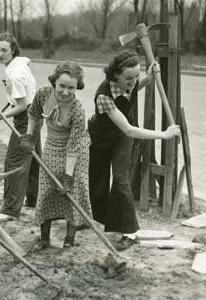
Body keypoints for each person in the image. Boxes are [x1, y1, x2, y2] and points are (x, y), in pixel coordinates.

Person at [88, 49, 180, 250]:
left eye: (136, 76)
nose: (133, 81)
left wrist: (150, 76)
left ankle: (129, 231)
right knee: (97, 178)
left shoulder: (131, 81)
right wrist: (163, 134)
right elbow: (129, 129)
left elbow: (141, 83)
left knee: (120, 179)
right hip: (101, 137)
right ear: (115, 75)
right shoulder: (103, 96)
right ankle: (96, 219)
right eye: (129, 78)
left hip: (122, 137)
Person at [21, 61, 92, 249]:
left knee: (72, 193)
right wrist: (29, 136)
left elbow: (74, 146)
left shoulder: (77, 110)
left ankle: (69, 240)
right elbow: (34, 113)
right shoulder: (44, 94)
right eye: (62, 86)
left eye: (71, 88)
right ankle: (45, 239)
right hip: (52, 144)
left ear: (77, 87)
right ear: (54, 82)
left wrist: (68, 176)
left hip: (76, 150)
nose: (66, 92)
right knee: (47, 190)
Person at [0, 32, 41, 222]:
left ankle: (9, 210)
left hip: (26, 118)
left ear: (12, 50)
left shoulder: (15, 75)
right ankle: (34, 199)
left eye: (4, 50)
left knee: (15, 162)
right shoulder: (19, 62)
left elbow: (21, 105)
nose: (0, 54)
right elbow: (28, 61)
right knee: (33, 160)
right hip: (36, 114)